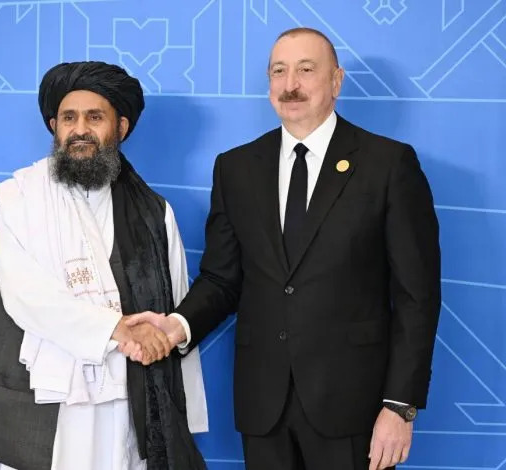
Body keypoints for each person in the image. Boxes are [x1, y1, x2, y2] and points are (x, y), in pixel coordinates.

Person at [127, 27, 441, 470]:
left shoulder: (388, 164)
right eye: (279, 71)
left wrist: (400, 406)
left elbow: (416, 297)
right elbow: (222, 279)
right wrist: (176, 325)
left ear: (336, 81)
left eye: (306, 70)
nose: (290, 84)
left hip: (354, 406)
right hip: (264, 406)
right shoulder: (235, 168)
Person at [0, 61, 208, 470]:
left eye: (94, 117)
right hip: (44, 403)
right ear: (54, 126)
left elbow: (174, 310)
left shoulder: (155, 213)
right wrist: (117, 328)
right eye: (69, 118)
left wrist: (181, 414)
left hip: (125, 403)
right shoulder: (18, 200)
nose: (79, 129)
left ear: (121, 127)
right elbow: (26, 296)